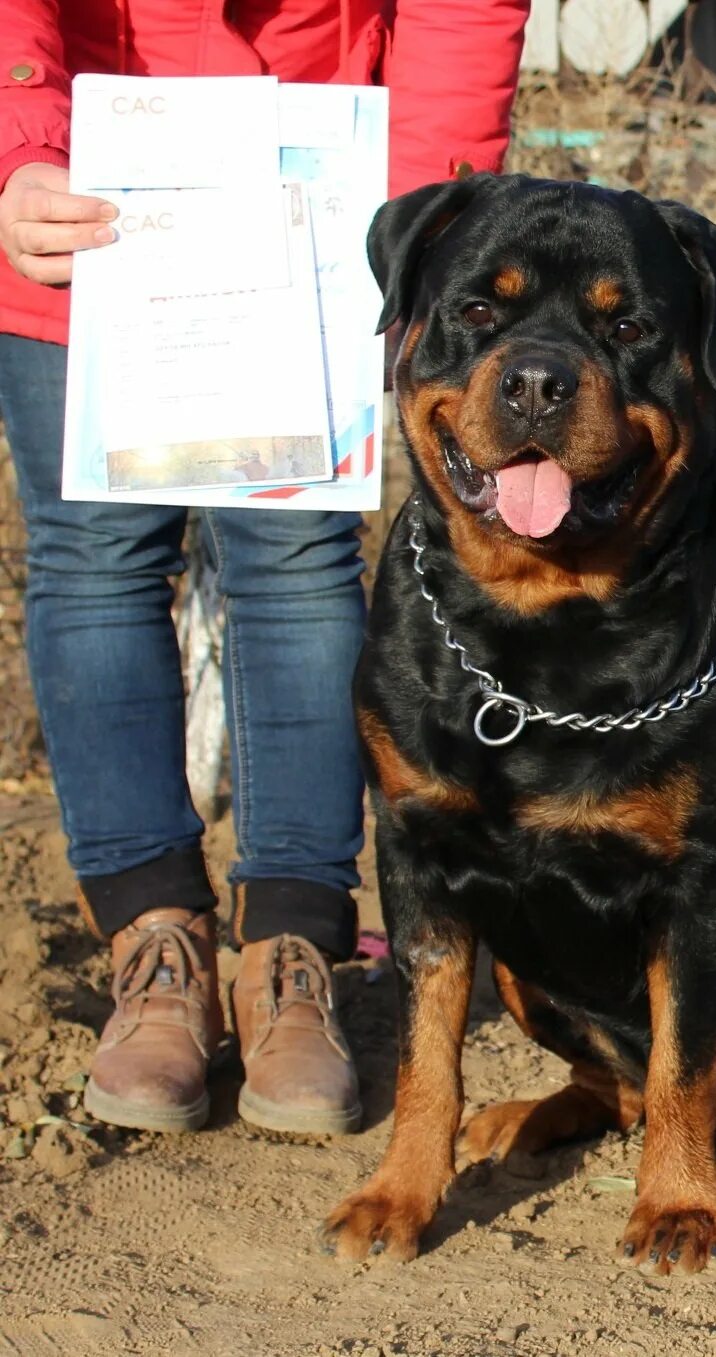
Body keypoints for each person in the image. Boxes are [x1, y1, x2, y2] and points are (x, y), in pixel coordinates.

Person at [0, 0, 530, 1136]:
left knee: (296, 563)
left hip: (314, 191)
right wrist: (18, 146)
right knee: (94, 558)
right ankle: (157, 945)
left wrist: (423, 211)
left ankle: (293, 948)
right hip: (87, 184)